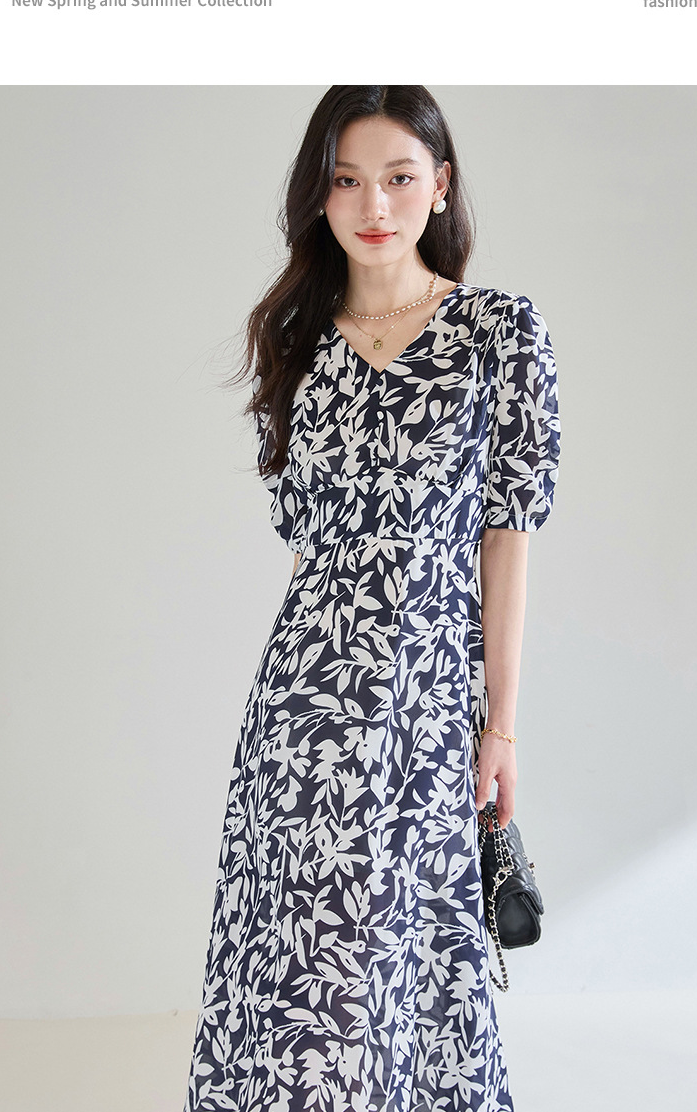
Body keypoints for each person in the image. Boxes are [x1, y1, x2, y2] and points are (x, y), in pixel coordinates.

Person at [183, 86, 560, 1112]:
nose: (374, 204)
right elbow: (306, 547)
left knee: (409, 961)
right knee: (308, 970)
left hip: (427, 707)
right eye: (346, 180)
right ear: (319, 195)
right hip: (303, 714)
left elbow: (506, 539)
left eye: (398, 176)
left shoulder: (498, 332)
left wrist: (501, 727)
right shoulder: (297, 340)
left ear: (440, 186)